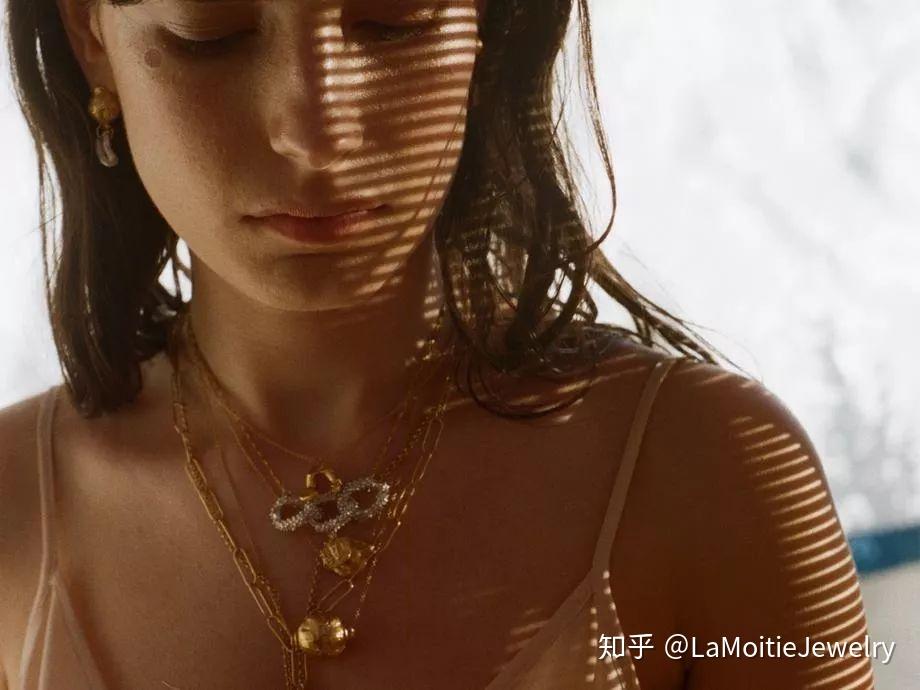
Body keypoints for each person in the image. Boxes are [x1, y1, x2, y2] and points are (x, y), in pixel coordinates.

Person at [0, 0, 876, 688]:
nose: (317, 131)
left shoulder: (703, 472)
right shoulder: (17, 513)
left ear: (487, 24)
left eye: (395, 22)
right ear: (90, 33)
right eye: (212, 34)